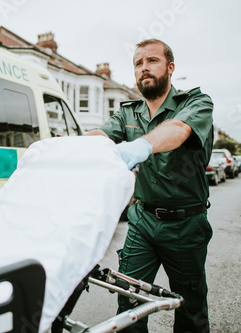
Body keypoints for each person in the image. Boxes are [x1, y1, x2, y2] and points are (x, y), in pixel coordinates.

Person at [86, 38, 214, 332]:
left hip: (185, 223)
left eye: (152, 61)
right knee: (128, 301)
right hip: (142, 221)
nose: (144, 68)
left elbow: (178, 130)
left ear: (170, 68)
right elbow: (100, 135)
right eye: (138, 63)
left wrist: (139, 147)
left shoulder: (196, 103)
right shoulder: (128, 112)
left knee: (189, 305)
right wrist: (66, 149)